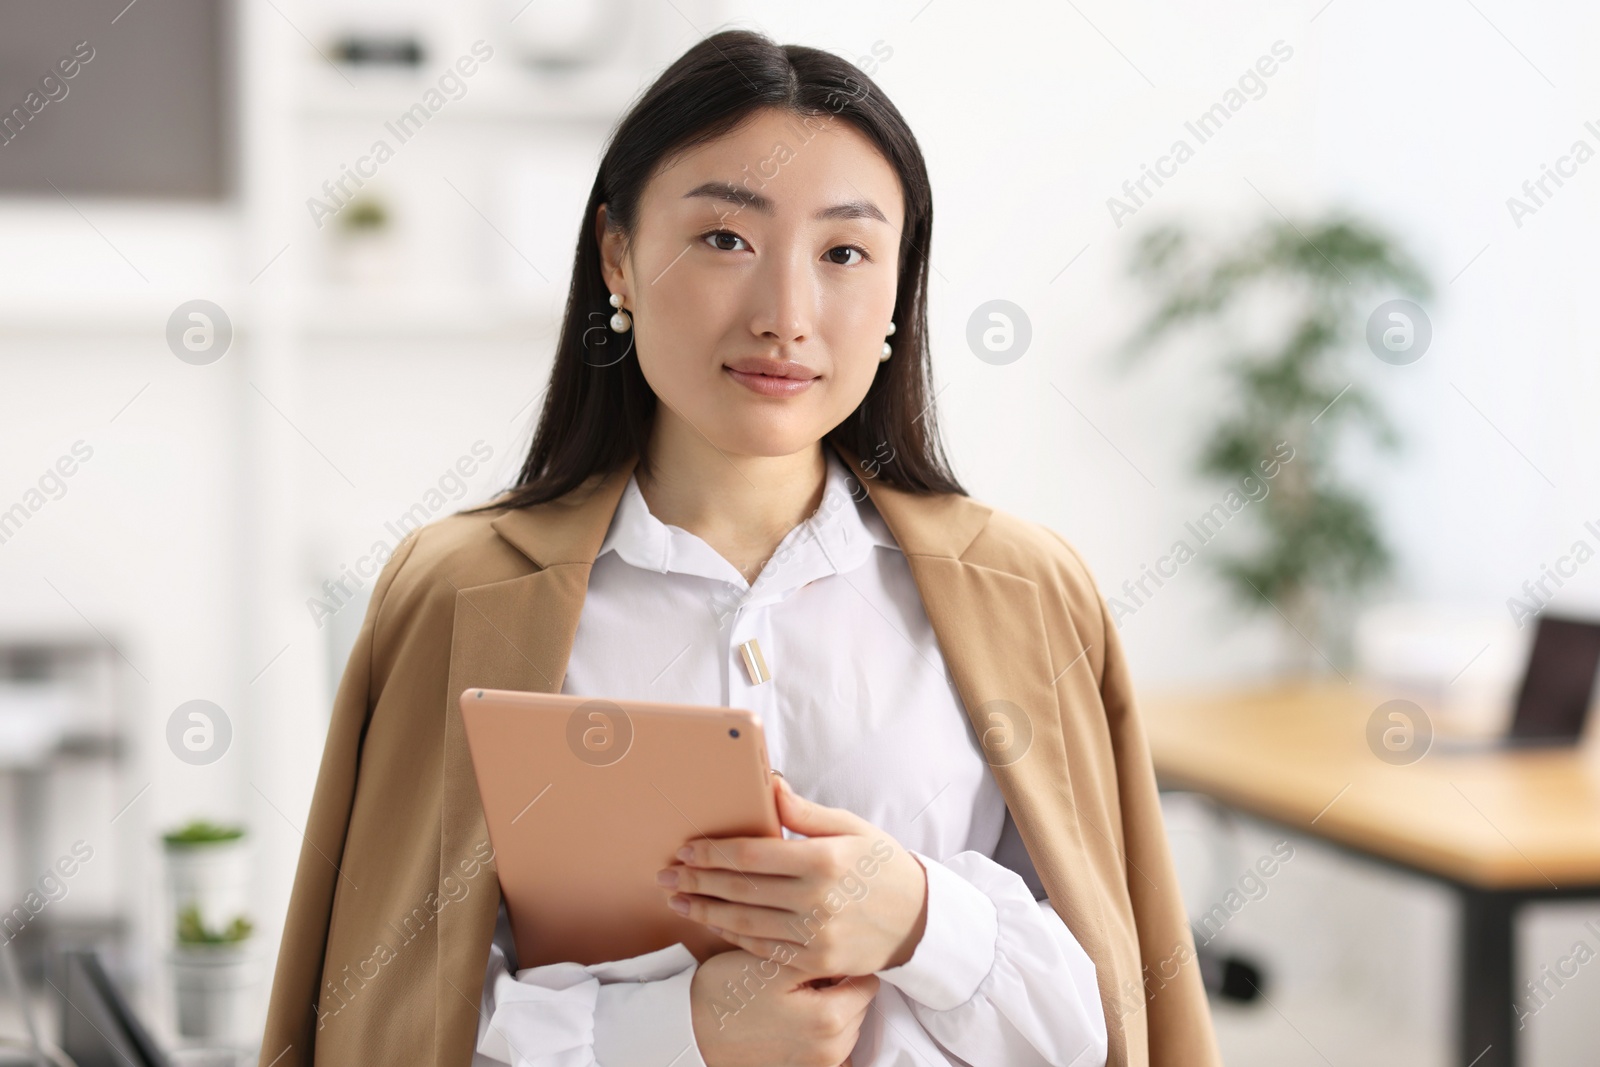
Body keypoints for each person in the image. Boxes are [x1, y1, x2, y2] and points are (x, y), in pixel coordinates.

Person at [259, 28, 1220, 1067]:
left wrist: (920, 919)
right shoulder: (463, 595)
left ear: (899, 289)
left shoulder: (1025, 592)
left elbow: (1106, 1019)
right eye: (725, 239)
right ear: (617, 255)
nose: (786, 316)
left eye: (844, 252)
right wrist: (677, 1031)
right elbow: (399, 1012)